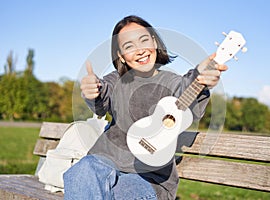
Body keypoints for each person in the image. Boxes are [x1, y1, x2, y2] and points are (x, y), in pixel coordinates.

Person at [63, 15, 227, 200]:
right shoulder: (115, 81)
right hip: (105, 161)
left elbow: (186, 93)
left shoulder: (171, 82)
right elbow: (102, 99)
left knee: (123, 194)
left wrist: (200, 77)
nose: (140, 50)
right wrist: (92, 91)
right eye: (129, 46)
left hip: (147, 177)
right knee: (80, 172)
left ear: (155, 42)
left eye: (144, 40)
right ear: (121, 56)